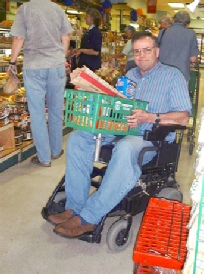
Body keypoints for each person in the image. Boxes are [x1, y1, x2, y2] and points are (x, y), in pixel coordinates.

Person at [47, 31, 192, 238]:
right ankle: (75, 208)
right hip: (120, 128)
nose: (141, 55)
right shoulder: (129, 76)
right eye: (137, 51)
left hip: (151, 135)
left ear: (157, 51)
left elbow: (184, 117)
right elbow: (117, 107)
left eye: (147, 50)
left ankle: (89, 218)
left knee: (125, 148)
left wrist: (149, 117)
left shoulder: (172, 76)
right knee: (79, 138)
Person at [8, 0, 73, 167]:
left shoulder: (25, 9)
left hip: (34, 66)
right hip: (56, 66)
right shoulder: (57, 9)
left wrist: (12, 62)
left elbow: (18, 38)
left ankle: (44, 158)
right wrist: (61, 57)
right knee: (56, 110)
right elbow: (66, 36)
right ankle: (57, 150)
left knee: (37, 113)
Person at [158, 11, 199, 82]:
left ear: (173, 20)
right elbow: (193, 59)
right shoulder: (191, 33)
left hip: (162, 73)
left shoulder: (163, 32)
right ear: (188, 24)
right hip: (181, 75)